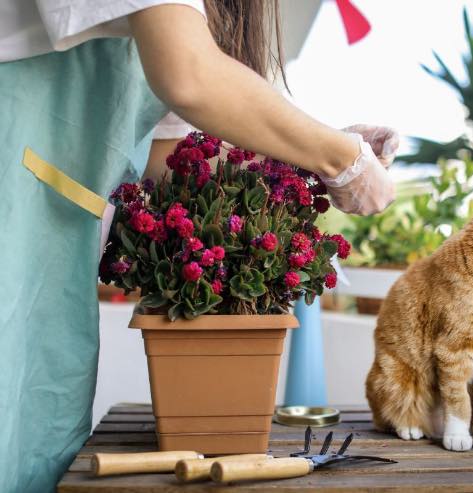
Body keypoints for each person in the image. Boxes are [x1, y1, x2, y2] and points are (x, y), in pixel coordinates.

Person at [0, 2, 398, 491]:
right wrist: (342, 157)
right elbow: (188, 75)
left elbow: (173, 158)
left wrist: (316, 158)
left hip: (47, 262)